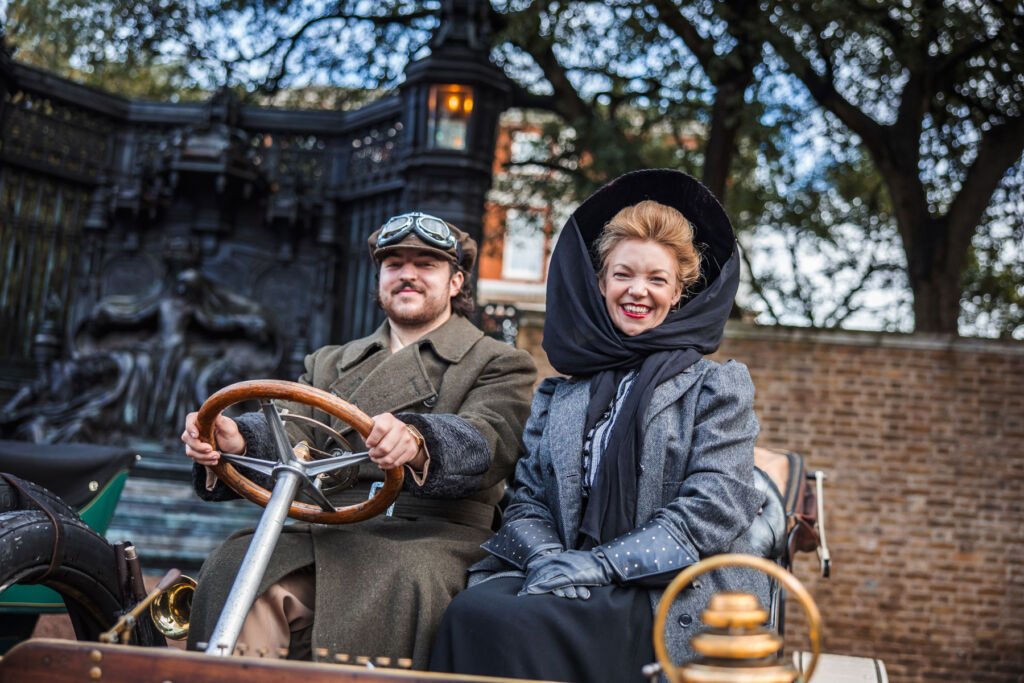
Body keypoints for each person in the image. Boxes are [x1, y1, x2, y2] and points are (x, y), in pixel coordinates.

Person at [429, 170, 774, 682]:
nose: (638, 291)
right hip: (566, 570)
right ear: (600, 282)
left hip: (667, 584)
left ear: (679, 291)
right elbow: (527, 499)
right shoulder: (562, 391)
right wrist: (548, 558)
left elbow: (716, 504)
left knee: (508, 621)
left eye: (657, 279)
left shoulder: (717, 387)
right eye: (623, 275)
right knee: (468, 611)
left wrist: (604, 565)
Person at [180, 212, 537, 668]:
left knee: (400, 577)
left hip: (430, 535)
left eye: (426, 263)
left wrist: (418, 441)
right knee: (236, 565)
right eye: (394, 264)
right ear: (380, 279)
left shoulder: (498, 361)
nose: (407, 273)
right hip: (326, 526)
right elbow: (294, 434)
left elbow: (492, 436)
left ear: (455, 283)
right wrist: (236, 442)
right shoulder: (329, 362)